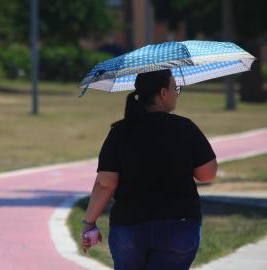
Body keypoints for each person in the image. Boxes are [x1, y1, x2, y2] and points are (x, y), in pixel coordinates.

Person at [81, 69, 218, 270]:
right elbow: (208, 174)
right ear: (163, 93)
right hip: (178, 226)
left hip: (129, 227)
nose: (176, 93)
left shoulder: (120, 132)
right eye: (175, 88)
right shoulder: (185, 128)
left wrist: (89, 223)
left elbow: (105, 183)